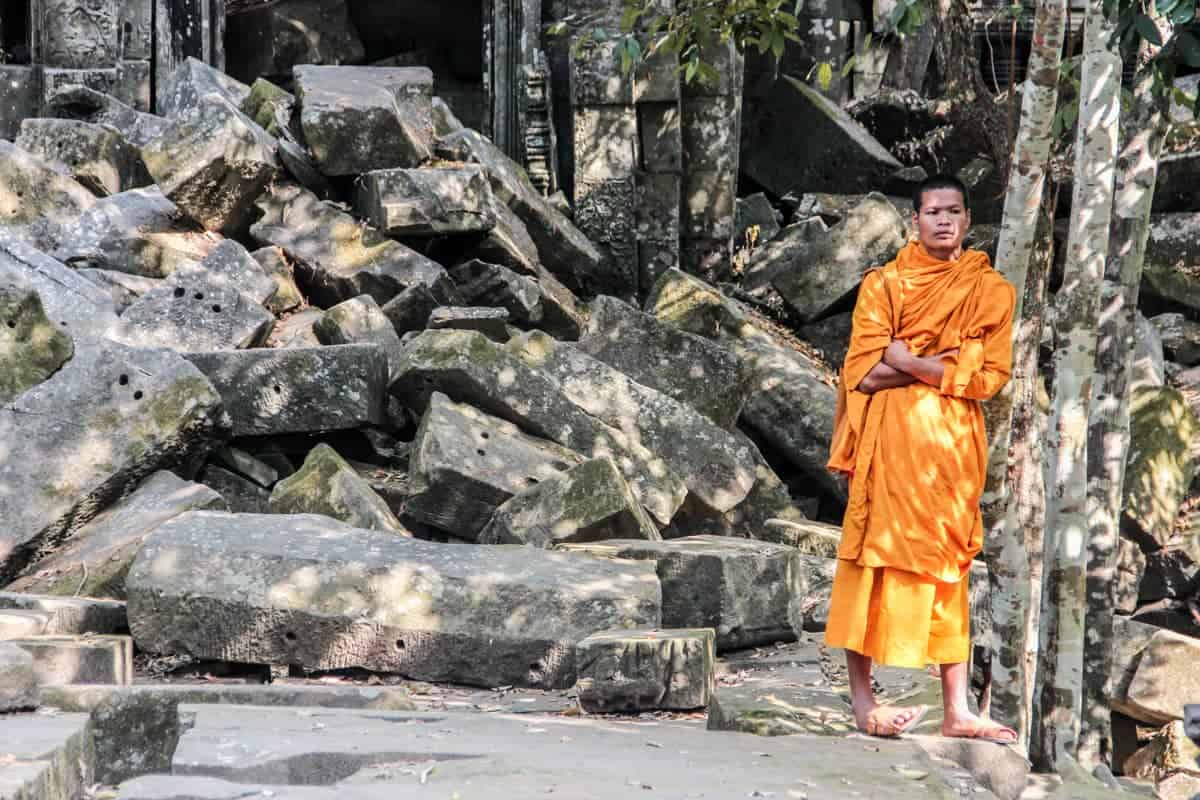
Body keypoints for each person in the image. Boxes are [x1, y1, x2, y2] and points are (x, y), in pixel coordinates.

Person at [823, 174, 1019, 742]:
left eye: (953, 211)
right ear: (916, 220)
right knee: (871, 564)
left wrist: (907, 359)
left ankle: (956, 711)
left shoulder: (990, 291)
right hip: (888, 451)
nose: (942, 220)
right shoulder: (885, 284)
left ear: (967, 220)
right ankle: (865, 705)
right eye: (932, 211)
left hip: (953, 453)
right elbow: (862, 373)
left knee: (949, 567)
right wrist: (943, 365)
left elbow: (986, 380)